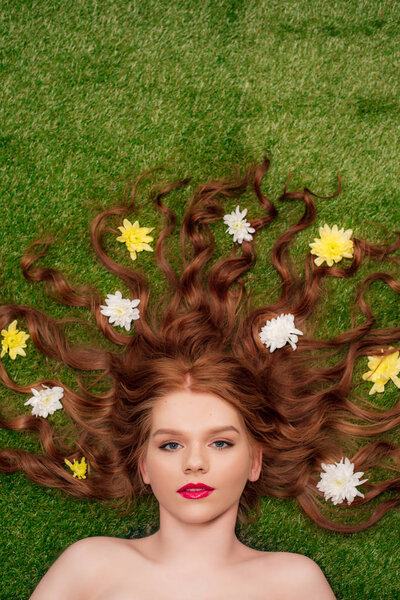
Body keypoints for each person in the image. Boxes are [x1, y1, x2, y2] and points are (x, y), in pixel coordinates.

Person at [1, 157, 399, 599]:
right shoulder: (91, 565)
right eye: (170, 444)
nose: (195, 463)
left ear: (255, 462)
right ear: (143, 465)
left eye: (221, 442)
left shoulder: (294, 582)